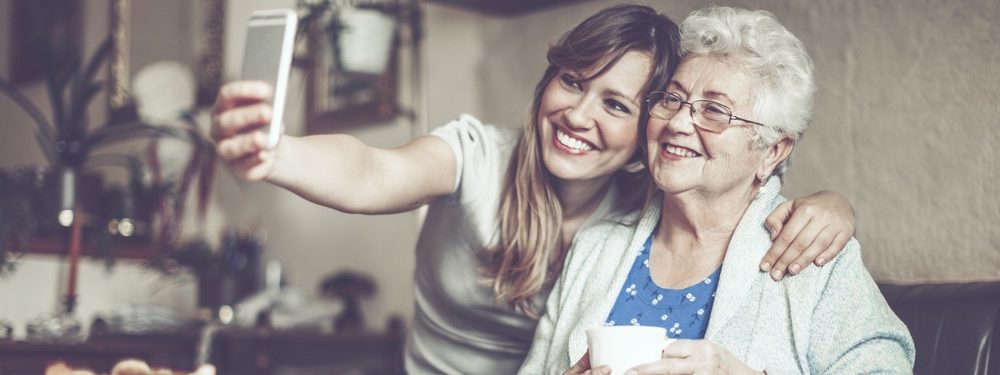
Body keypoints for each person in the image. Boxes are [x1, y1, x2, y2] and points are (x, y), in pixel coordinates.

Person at [211, 5, 857, 374]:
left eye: (616, 103)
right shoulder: (481, 159)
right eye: (572, 82)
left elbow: (740, 173)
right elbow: (371, 171)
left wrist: (835, 207)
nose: (579, 116)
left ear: (643, 132)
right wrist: (275, 152)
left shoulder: (643, 208)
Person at [520, 6, 914, 375]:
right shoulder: (596, 247)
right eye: (672, 99)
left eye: (714, 111)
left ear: (772, 151)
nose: (677, 123)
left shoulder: (811, 251)